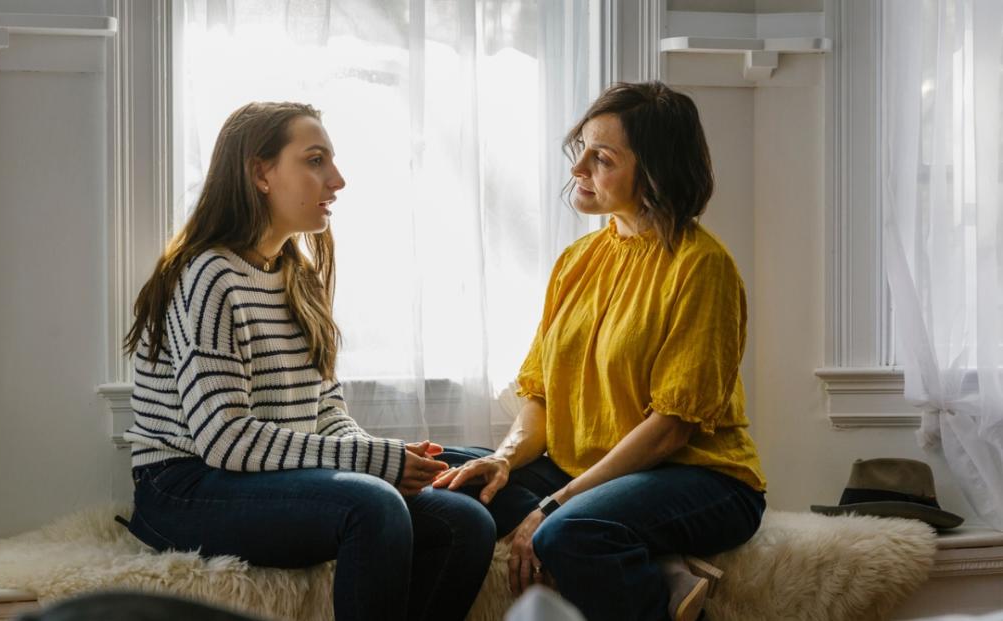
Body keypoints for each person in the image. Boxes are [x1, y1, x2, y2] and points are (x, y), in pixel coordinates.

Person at [119, 102, 496, 621]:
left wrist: (384, 456)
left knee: (465, 508)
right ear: (260, 172)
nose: (336, 180)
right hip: (185, 487)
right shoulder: (208, 276)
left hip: (263, 475)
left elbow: (325, 410)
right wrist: (378, 465)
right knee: (374, 504)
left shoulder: (298, 275)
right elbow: (224, 440)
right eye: (315, 160)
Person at [433, 81, 767, 621]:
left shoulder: (702, 266)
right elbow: (540, 394)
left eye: (602, 158)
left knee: (570, 530)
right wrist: (503, 458)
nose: (578, 169)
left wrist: (555, 505)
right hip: (586, 468)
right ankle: (657, 565)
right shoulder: (576, 260)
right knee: (454, 476)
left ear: (656, 171)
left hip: (701, 477)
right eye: (581, 151)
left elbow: (671, 429)